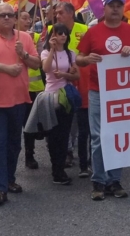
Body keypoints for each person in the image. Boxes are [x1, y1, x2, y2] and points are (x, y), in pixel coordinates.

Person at [76, 0, 130, 200]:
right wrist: (86, 58)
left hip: (121, 92)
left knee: (118, 135)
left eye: (118, 6)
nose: (115, 9)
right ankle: (98, 180)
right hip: (97, 90)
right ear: (104, 10)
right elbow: (78, 58)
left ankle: (114, 180)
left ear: (123, 10)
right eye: (111, 6)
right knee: (98, 137)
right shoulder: (93, 32)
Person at [0, 3, 40, 206]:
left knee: (14, 144)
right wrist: (6, 69)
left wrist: (24, 55)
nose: (6, 18)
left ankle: (10, 178)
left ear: (14, 18)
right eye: (1, 15)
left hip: (19, 99)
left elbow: (37, 64)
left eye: (9, 15)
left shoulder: (26, 38)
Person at [31, 23, 79, 186]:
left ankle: (60, 168)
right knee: (53, 134)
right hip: (51, 98)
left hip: (66, 97)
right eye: (59, 33)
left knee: (64, 134)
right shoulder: (45, 52)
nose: (63, 36)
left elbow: (76, 74)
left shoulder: (71, 53)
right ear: (53, 36)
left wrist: (65, 74)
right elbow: (45, 69)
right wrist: (51, 50)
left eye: (65, 33)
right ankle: (55, 168)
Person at [48, 2, 91, 178]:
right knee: (62, 124)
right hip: (59, 86)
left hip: (82, 82)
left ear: (71, 13)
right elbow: (43, 54)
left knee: (81, 124)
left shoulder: (84, 29)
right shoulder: (51, 29)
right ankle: (65, 153)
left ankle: (84, 159)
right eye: (56, 13)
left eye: (60, 13)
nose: (57, 16)